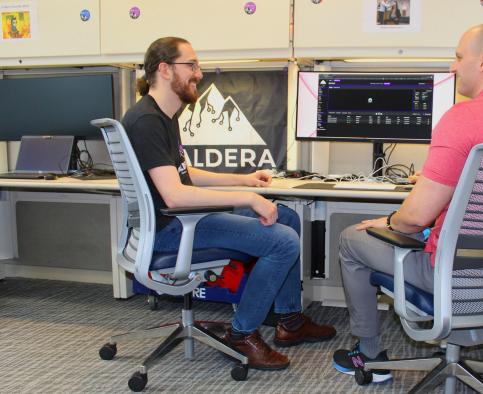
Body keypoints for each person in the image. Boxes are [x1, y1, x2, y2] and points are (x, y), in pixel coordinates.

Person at [331, 23, 483, 382]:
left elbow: (414, 218)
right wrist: (441, 183)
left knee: (350, 238)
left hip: (451, 276)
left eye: (458, 57)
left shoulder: (463, 117)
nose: (453, 67)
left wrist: (387, 222)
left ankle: (368, 357)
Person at [121, 37, 336, 372]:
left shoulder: (163, 115)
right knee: (283, 241)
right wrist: (248, 198)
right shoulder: (147, 121)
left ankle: (289, 321)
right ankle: (242, 335)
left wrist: (244, 180)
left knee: (287, 218)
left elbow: (183, 173)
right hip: (172, 229)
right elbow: (175, 195)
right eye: (190, 65)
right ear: (163, 69)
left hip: (179, 220)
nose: (199, 73)